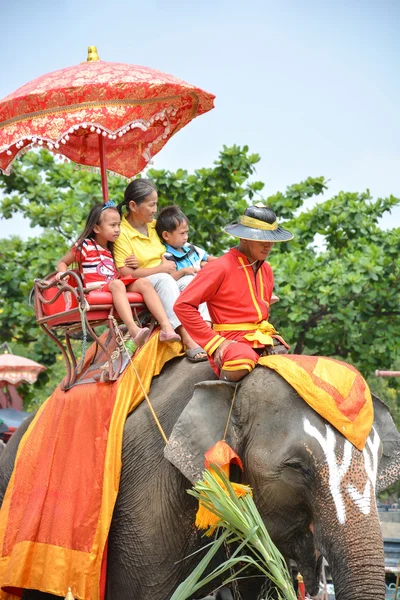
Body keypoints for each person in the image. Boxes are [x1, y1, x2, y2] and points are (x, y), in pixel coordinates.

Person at [174, 204, 293, 382]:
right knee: (241, 360)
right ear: (244, 238)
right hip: (231, 343)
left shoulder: (266, 269)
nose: (268, 245)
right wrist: (216, 343)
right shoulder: (220, 267)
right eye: (262, 239)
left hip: (260, 338)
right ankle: (221, 404)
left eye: (271, 239)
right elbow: (182, 306)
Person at [56, 202, 181, 348]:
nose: (117, 230)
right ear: (96, 228)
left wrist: (132, 263)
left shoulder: (112, 248)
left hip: (116, 285)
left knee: (143, 282)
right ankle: (134, 330)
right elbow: (62, 262)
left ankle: (167, 327)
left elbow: (122, 270)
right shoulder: (85, 245)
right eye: (112, 225)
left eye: (118, 225)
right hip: (98, 288)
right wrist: (63, 274)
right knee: (117, 284)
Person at [113, 179, 207, 363]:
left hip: (170, 275)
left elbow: (178, 241)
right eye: (151, 204)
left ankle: (205, 331)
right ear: (133, 205)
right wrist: (160, 268)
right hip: (144, 282)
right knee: (164, 279)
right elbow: (126, 273)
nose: (155, 209)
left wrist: (202, 260)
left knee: (193, 280)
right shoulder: (122, 232)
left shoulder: (154, 226)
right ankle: (186, 338)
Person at [155, 204, 217, 294]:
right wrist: (183, 271)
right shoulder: (167, 256)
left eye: (187, 232)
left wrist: (225, 262)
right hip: (184, 290)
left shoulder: (189, 247)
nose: (186, 237)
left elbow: (207, 258)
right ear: (166, 235)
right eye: (182, 233)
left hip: (201, 284)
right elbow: (169, 279)